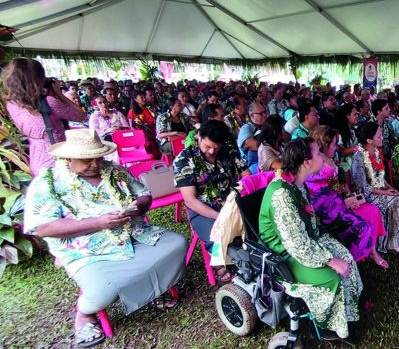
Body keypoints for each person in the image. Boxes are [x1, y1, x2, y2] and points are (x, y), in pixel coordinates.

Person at [24, 129, 187, 347]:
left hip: (135, 234)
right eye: (87, 160)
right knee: (102, 292)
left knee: (177, 243)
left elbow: (144, 195)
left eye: (98, 157)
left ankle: (152, 289)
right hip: (88, 248)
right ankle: (84, 315)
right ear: (67, 158)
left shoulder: (115, 171)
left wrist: (135, 209)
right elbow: (44, 227)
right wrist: (98, 223)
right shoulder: (48, 183)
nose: (95, 164)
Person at [259, 138, 362, 345]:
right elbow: (297, 245)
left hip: (305, 240)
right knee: (331, 277)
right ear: (306, 162)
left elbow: (306, 227)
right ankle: (326, 327)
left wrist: (332, 252)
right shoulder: (281, 194)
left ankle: (346, 314)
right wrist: (330, 260)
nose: (323, 156)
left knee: (347, 259)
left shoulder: (296, 182)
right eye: (317, 153)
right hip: (284, 253)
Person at [174, 120, 251, 282]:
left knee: (258, 224)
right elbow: (190, 200)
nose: (211, 151)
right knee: (219, 235)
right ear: (199, 137)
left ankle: (253, 259)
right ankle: (222, 264)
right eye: (207, 146)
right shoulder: (184, 160)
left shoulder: (228, 150)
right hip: (204, 210)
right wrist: (220, 216)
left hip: (232, 202)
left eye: (216, 147)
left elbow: (248, 178)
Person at [307, 126, 388, 267]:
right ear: (323, 146)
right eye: (333, 144)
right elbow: (330, 176)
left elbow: (341, 185)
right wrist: (326, 159)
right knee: (363, 227)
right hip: (328, 212)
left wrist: (349, 198)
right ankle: (349, 263)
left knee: (372, 211)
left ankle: (372, 252)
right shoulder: (316, 166)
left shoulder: (331, 160)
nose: (338, 147)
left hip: (341, 204)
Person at [2, 58, 86, 176]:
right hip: (57, 162)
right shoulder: (49, 103)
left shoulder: (12, 103)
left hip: (37, 159)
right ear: (40, 79)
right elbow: (81, 115)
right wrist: (58, 93)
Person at [351, 122, 399, 255]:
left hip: (380, 190)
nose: (382, 139)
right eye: (379, 136)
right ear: (369, 140)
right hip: (368, 195)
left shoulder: (376, 152)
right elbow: (362, 187)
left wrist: (390, 188)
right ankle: (393, 245)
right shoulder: (359, 157)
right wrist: (385, 192)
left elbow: (381, 178)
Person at [238, 101, 269, 174]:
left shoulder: (269, 124)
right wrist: (271, 145)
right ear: (252, 115)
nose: (264, 115)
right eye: (261, 113)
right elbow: (248, 144)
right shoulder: (247, 127)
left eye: (265, 112)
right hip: (256, 164)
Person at [127, 90, 158, 156]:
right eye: (141, 97)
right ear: (135, 100)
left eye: (144, 97)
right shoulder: (132, 112)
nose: (144, 99)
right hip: (141, 135)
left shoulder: (149, 109)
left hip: (152, 132)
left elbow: (155, 121)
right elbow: (132, 126)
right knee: (148, 144)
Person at [333, 103, 360, 172]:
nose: (357, 116)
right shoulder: (339, 132)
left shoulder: (354, 129)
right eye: (355, 114)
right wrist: (358, 148)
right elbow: (340, 152)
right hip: (345, 166)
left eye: (357, 114)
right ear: (347, 115)